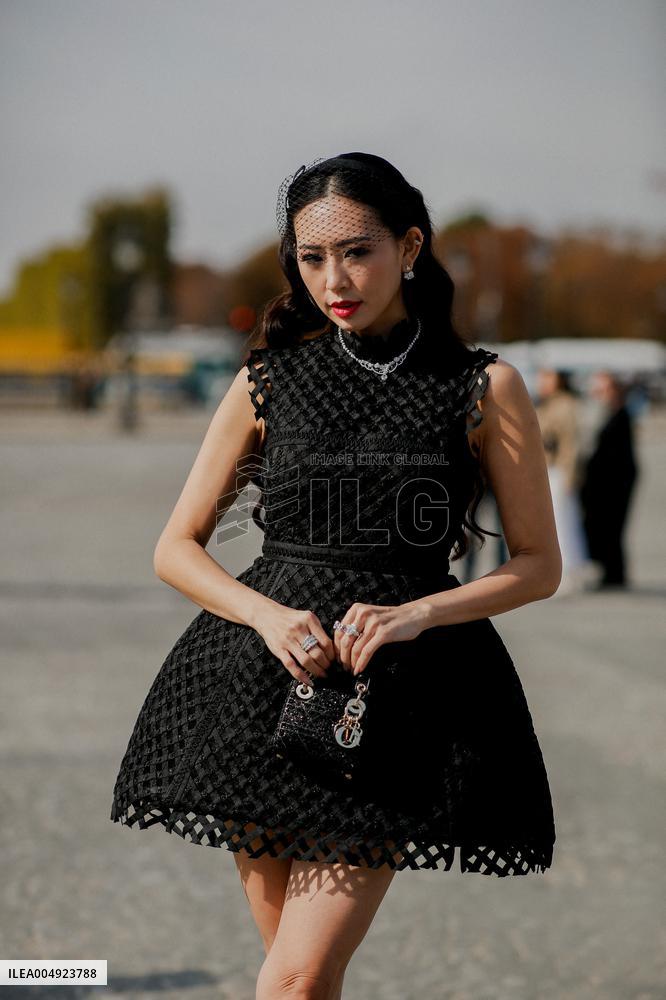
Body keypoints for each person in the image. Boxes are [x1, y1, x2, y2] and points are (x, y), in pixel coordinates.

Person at [109, 153, 560, 999]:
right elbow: (176, 546)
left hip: (397, 698)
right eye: (311, 259)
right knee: (300, 980)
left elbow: (540, 566)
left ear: (411, 245)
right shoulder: (265, 380)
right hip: (252, 682)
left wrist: (418, 612)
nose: (334, 279)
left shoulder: (484, 386)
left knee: (297, 978)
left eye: (357, 251)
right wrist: (267, 617)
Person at [578, 370, 639, 589]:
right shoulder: (610, 413)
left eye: (602, 389)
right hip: (607, 483)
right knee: (606, 529)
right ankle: (611, 572)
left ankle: (615, 574)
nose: (598, 394)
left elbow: (616, 457)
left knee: (612, 528)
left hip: (615, 485)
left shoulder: (620, 415)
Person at [535, 368, 588, 594]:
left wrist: (569, 475)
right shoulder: (547, 403)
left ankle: (567, 572)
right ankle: (567, 571)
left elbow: (570, 443)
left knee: (562, 524)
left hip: (558, 470)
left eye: (547, 377)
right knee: (559, 522)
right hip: (548, 468)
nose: (542, 382)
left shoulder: (565, 404)